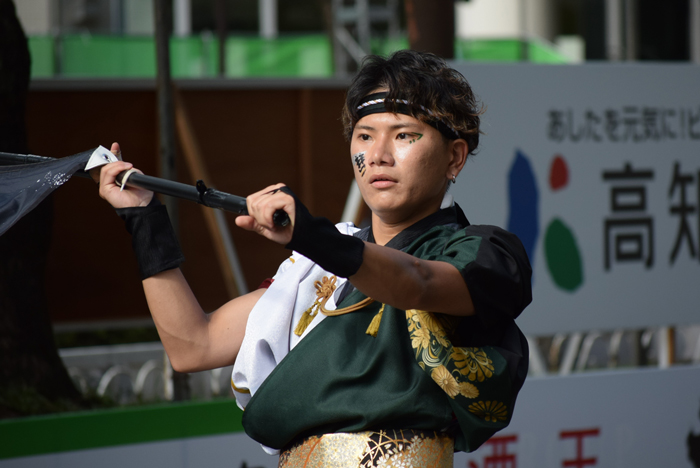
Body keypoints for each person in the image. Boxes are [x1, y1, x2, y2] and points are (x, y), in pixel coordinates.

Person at [98, 50, 532, 468]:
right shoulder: (317, 267)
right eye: (365, 135)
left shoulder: (487, 253)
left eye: (404, 135)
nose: (378, 154)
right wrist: (143, 219)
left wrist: (312, 237)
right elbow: (193, 344)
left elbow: (414, 283)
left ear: (454, 157)